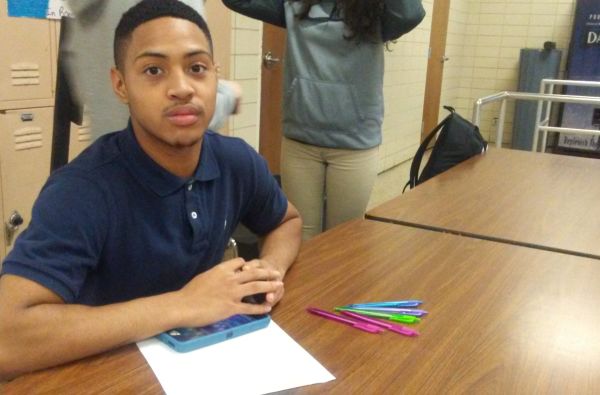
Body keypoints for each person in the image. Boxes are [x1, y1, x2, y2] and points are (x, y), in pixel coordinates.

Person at [0, 0, 301, 380]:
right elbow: (7, 338)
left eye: (197, 68)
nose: (181, 88)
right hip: (99, 374)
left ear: (215, 76)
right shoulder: (82, 190)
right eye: (154, 70)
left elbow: (286, 220)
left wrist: (269, 270)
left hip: (202, 365)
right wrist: (183, 305)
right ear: (120, 84)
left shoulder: (235, 160)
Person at [222, 0, 426, 239]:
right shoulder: (295, 4)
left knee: (342, 240)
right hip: (301, 142)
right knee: (301, 237)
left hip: (354, 145)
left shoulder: (378, 10)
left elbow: (411, 13)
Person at [62, 0, 241, 138]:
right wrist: (229, 96)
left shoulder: (87, 18)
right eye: (154, 70)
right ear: (119, 83)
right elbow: (180, 111)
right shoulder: (168, 11)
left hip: (113, 161)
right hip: (161, 170)